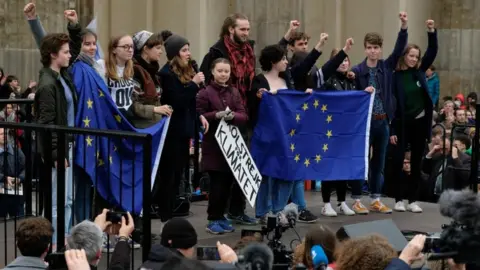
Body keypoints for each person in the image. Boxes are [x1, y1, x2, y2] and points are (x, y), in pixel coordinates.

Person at [350, 12, 408, 214]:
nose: (373, 51)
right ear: (365, 49)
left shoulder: (386, 66)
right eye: (369, 48)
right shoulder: (357, 70)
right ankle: (357, 199)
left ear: (380, 49)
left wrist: (403, 27)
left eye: (376, 48)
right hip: (364, 123)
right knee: (362, 160)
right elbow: (352, 96)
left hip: (383, 121)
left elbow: (400, 49)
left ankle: (375, 198)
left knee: (379, 162)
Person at [157, 32, 208, 225]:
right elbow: (177, 100)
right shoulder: (167, 74)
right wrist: (194, 85)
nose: (188, 54)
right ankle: (165, 214)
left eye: (188, 49)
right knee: (169, 175)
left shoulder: (188, 70)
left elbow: (190, 102)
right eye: (184, 50)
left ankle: (171, 211)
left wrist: (199, 116)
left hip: (185, 129)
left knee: (178, 174)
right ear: (175, 53)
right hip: (172, 131)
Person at [196, 58, 250, 234]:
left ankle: (221, 217)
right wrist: (216, 115)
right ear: (212, 71)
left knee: (227, 184)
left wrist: (232, 115)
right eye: (220, 71)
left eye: (226, 71)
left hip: (232, 145)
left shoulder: (234, 92)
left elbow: (243, 115)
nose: (223, 74)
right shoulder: (205, 92)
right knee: (217, 185)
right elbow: (200, 116)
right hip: (214, 145)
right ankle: (213, 219)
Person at [252, 45, 304, 224]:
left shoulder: (286, 80)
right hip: (267, 135)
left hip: (287, 134)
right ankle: (262, 212)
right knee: (266, 174)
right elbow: (256, 96)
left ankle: (278, 208)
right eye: (283, 59)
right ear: (273, 62)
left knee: (287, 173)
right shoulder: (259, 80)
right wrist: (262, 95)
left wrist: (306, 96)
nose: (286, 62)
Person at [390, 19, 438, 213]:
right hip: (402, 123)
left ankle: (412, 200)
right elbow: (392, 104)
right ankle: (398, 198)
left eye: (416, 56)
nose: (413, 59)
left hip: (420, 123)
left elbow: (432, 51)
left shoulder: (419, 72)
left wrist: (431, 31)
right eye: (411, 55)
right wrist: (392, 128)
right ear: (405, 56)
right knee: (399, 160)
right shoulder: (396, 75)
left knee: (416, 162)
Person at [35, 33, 77, 250]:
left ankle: (61, 237)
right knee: (57, 199)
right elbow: (47, 122)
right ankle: (51, 242)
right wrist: (56, 154)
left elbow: (77, 49)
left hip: (66, 144)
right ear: (53, 55)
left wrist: (74, 27)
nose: (70, 55)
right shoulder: (47, 84)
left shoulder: (61, 75)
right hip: (59, 147)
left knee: (66, 198)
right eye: (65, 52)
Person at [319, 38, 369, 217]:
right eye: (340, 60)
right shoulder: (327, 81)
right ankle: (326, 203)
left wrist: (366, 91)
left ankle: (341, 201)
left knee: (343, 167)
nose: (344, 63)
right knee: (329, 167)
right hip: (330, 130)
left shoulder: (351, 81)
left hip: (347, 131)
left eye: (346, 60)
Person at [200, 13, 255, 108]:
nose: (246, 33)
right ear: (231, 29)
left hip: (246, 106)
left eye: (247, 29)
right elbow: (206, 82)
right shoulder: (216, 52)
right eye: (242, 29)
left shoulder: (249, 50)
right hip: (223, 107)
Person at [131, 30, 172, 128]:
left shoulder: (153, 72)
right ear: (145, 49)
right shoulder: (134, 71)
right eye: (158, 48)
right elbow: (132, 106)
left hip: (154, 128)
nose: (161, 52)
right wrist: (155, 109)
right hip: (140, 130)